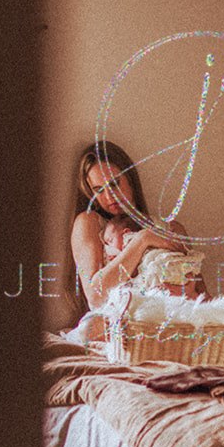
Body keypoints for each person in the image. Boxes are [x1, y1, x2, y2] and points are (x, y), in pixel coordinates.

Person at [68, 141, 203, 341]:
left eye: (114, 183)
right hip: (119, 328)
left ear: (130, 179)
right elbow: (96, 297)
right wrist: (142, 240)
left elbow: (202, 294)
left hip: (174, 326)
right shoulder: (89, 222)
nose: (109, 196)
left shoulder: (171, 228)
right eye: (98, 190)